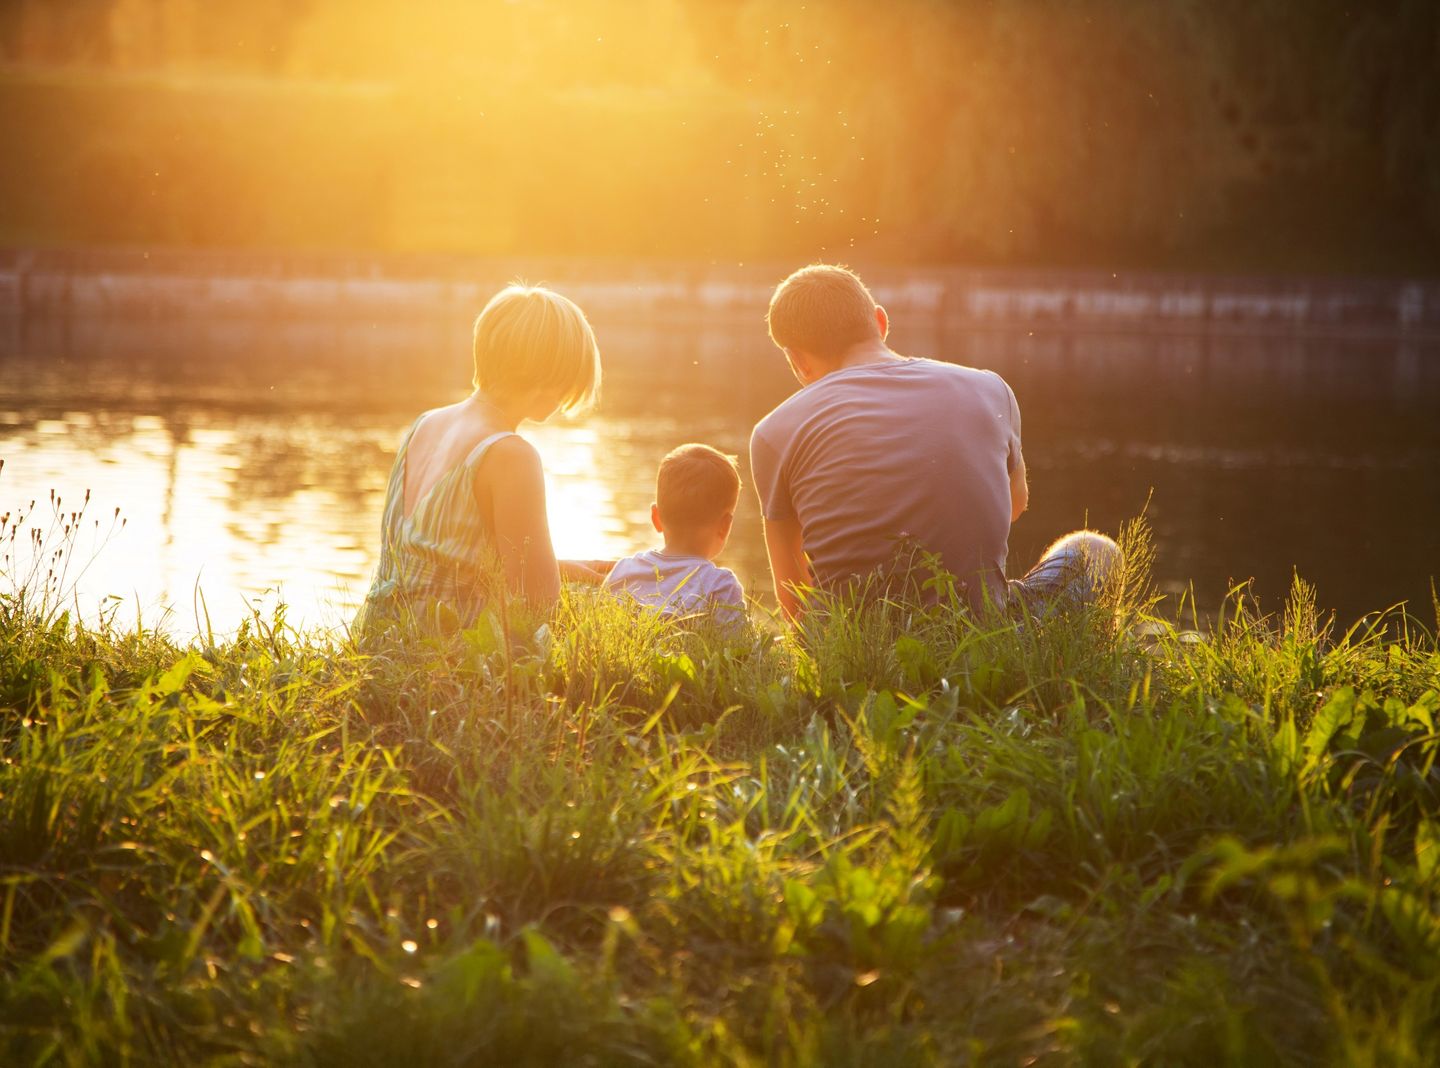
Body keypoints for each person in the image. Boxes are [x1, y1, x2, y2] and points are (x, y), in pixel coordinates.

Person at [749, 263, 1120, 621]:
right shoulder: (990, 389)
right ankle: (1084, 660)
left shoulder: (773, 431)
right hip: (982, 636)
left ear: (797, 361)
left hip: (850, 647)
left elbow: (792, 596)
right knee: (1097, 552)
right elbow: (1012, 505)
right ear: (880, 322)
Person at [356, 283, 606, 632]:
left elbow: (447, 561)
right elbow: (537, 603)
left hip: (378, 642)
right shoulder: (510, 455)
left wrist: (568, 567)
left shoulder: (425, 424)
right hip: (441, 662)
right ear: (552, 373)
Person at [604, 443, 747, 629]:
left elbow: (601, 624)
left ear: (655, 517)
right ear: (725, 525)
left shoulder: (624, 569)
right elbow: (741, 649)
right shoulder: (720, 585)